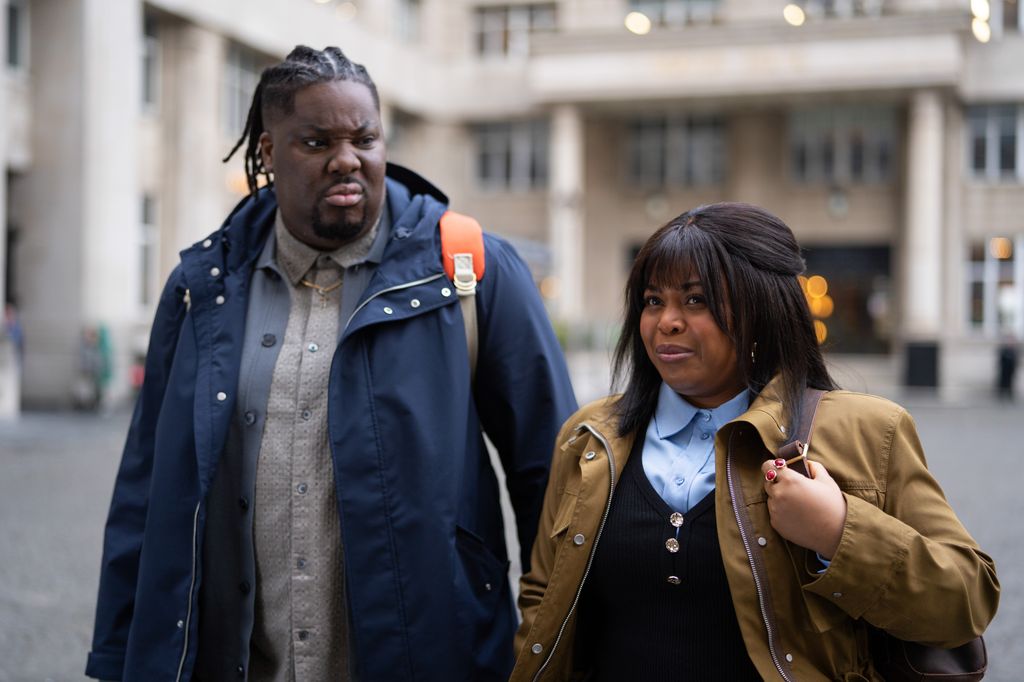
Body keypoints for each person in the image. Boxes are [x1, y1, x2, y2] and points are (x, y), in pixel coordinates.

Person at [85, 46, 576, 682]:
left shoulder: (472, 271)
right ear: (268, 151)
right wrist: (117, 655)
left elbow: (557, 482)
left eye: (364, 139)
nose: (346, 160)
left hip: (430, 657)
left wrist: (559, 650)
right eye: (317, 142)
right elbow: (146, 487)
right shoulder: (201, 288)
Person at [511, 203, 999, 681]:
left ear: (763, 309)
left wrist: (839, 533)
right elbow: (542, 595)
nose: (667, 322)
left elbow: (967, 599)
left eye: (696, 300)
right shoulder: (589, 436)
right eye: (653, 300)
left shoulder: (870, 430)